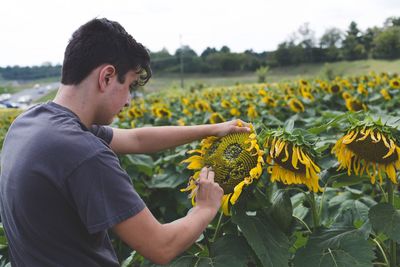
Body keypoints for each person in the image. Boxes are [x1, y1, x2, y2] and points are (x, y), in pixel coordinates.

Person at [0, 18, 250, 266]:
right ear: (107, 77)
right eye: (129, 85)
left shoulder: (29, 123)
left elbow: (136, 139)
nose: (129, 100)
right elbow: (162, 246)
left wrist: (213, 128)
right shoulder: (84, 153)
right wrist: (205, 207)